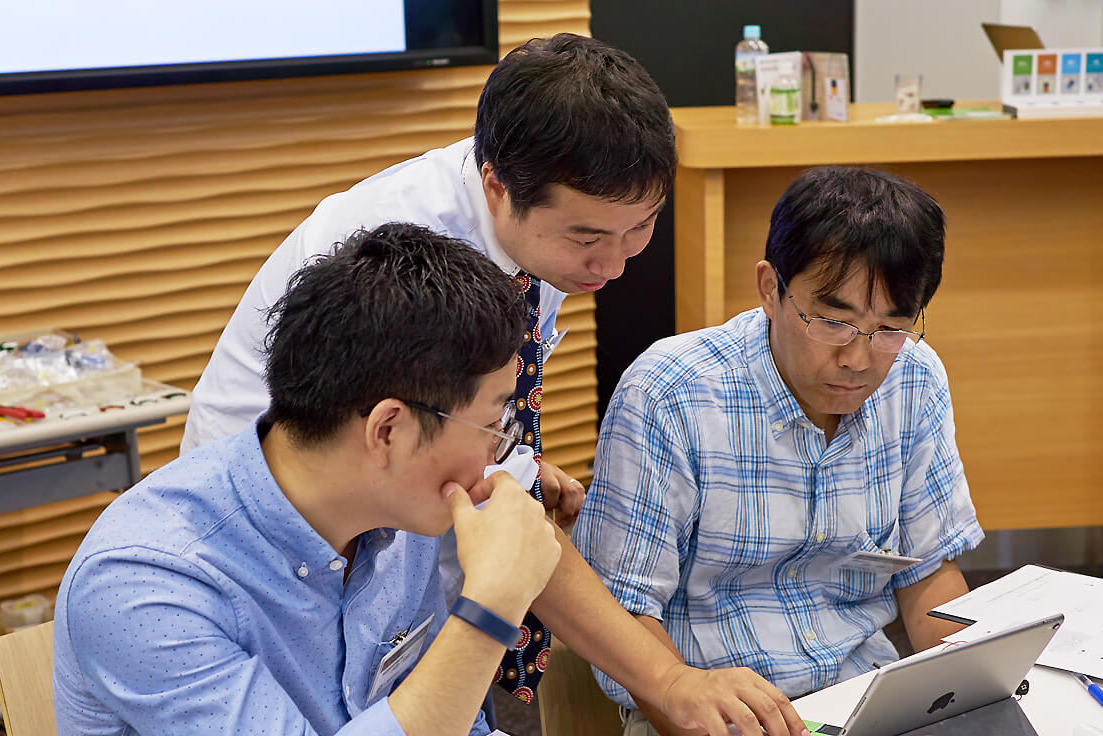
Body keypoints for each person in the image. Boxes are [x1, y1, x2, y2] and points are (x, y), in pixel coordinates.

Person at [176, 34, 808, 736]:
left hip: (391, 530)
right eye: (588, 237)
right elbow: (491, 510)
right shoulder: (411, 254)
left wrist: (503, 454)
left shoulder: (539, 230)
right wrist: (666, 680)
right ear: (497, 184)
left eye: (642, 227)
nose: (617, 262)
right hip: (293, 546)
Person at [53, 224, 564, 735]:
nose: (498, 453)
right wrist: (492, 606)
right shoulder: (145, 581)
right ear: (388, 430)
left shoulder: (401, 513)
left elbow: (448, 716)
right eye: (492, 425)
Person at [573, 166, 986, 736]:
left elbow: (926, 569)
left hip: (864, 696)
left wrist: (972, 688)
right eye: (833, 322)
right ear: (771, 288)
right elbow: (624, 608)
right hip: (711, 708)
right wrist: (685, 701)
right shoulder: (671, 394)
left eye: (890, 328)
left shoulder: (914, 378)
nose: (859, 359)